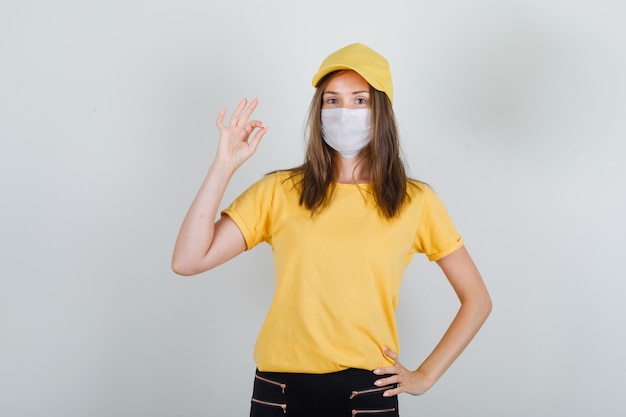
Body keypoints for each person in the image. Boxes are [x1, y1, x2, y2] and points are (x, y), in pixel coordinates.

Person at [172, 43, 492, 417]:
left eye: (360, 101)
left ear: (381, 111)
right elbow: (188, 260)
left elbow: (477, 300)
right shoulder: (279, 191)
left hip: (368, 395)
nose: (344, 112)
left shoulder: (415, 200)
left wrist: (424, 376)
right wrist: (223, 166)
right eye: (332, 101)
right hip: (280, 392)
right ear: (319, 111)